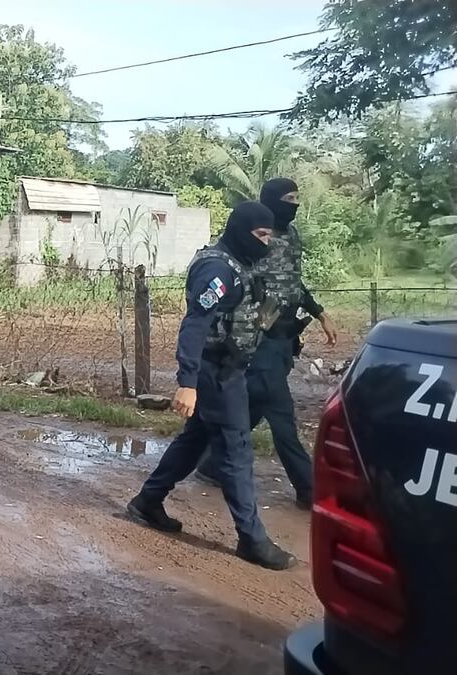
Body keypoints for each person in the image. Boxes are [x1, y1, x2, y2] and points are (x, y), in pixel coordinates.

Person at [127, 201, 296, 571]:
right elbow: (194, 325)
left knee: (196, 439)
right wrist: (187, 382)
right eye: (261, 235)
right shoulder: (218, 269)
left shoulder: (242, 264)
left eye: (269, 235)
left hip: (230, 369)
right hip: (215, 372)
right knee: (236, 451)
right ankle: (252, 540)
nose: (266, 242)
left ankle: (148, 500)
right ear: (242, 230)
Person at [194, 178, 337, 509]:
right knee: (281, 411)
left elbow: (292, 283)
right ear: (273, 200)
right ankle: (308, 489)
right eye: (289, 198)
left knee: (256, 403)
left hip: (284, 336)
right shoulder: (253, 236)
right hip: (258, 337)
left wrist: (319, 313)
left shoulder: (291, 237)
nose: (295, 204)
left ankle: (212, 465)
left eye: (298, 197)